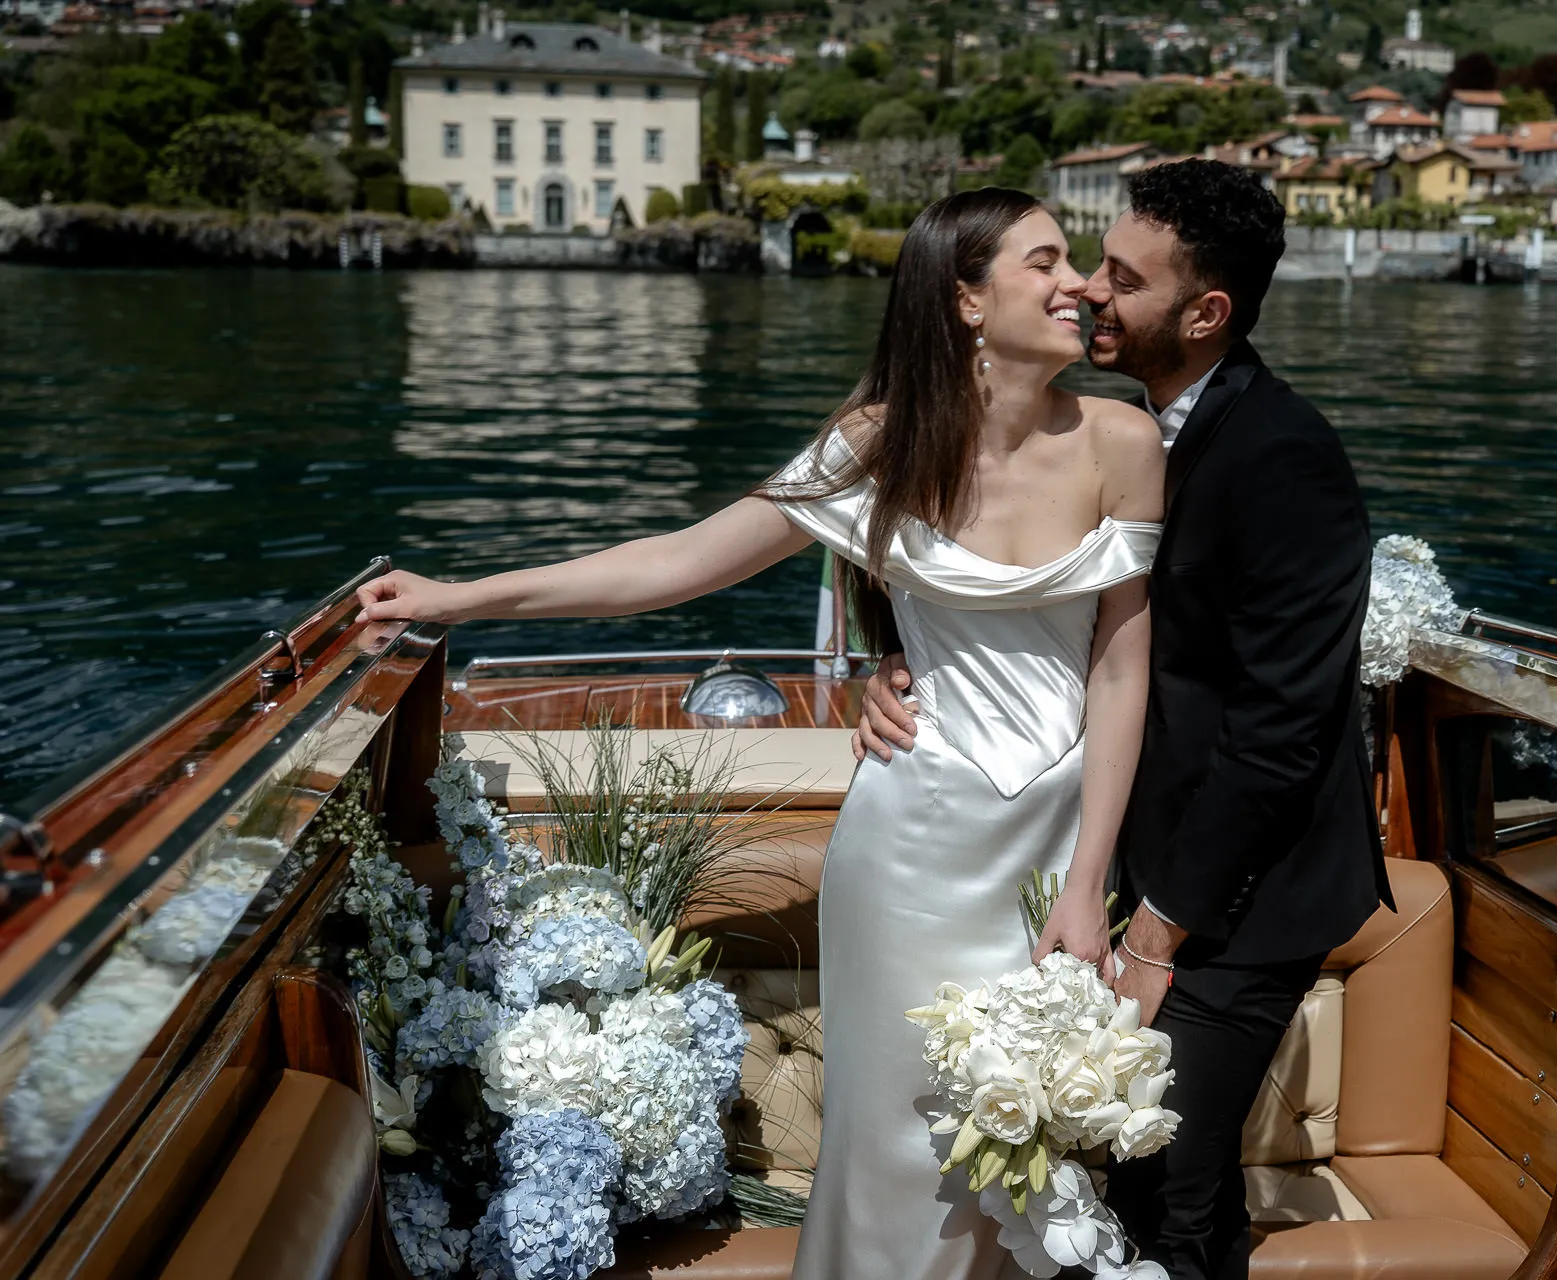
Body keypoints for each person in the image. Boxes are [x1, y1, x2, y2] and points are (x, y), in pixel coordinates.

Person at [352, 188, 1167, 1280]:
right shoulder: (880, 442)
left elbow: (1121, 670)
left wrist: (1088, 881)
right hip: (911, 845)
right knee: (895, 1146)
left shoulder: (1123, 440)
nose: (1078, 285)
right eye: (1047, 261)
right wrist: (458, 596)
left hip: (1059, 848)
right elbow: (679, 561)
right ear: (966, 299)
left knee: (1043, 1154)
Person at [855, 160, 1394, 1280]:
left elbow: (1281, 732)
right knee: (1146, 1188)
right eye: (1091, 262)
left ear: (1206, 314)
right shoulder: (1133, 429)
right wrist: (902, 661)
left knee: (1165, 1198)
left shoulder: (1284, 455)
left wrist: (1156, 935)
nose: (1092, 289)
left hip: (1244, 900)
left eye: (1124, 277)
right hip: (1145, 868)